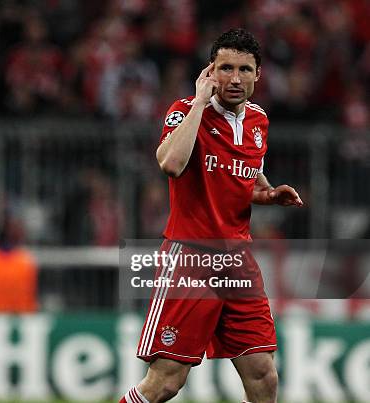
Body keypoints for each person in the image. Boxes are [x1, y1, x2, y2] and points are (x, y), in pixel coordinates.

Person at [119, 28, 303, 403]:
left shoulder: (258, 121)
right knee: (166, 383)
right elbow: (170, 164)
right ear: (211, 71)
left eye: (244, 70)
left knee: (263, 374)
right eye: (226, 68)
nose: (235, 79)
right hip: (189, 258)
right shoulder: (186, 111)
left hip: (238, 261)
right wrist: (200, 104)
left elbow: (244, 179)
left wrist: (269, 194)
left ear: (258, 74)